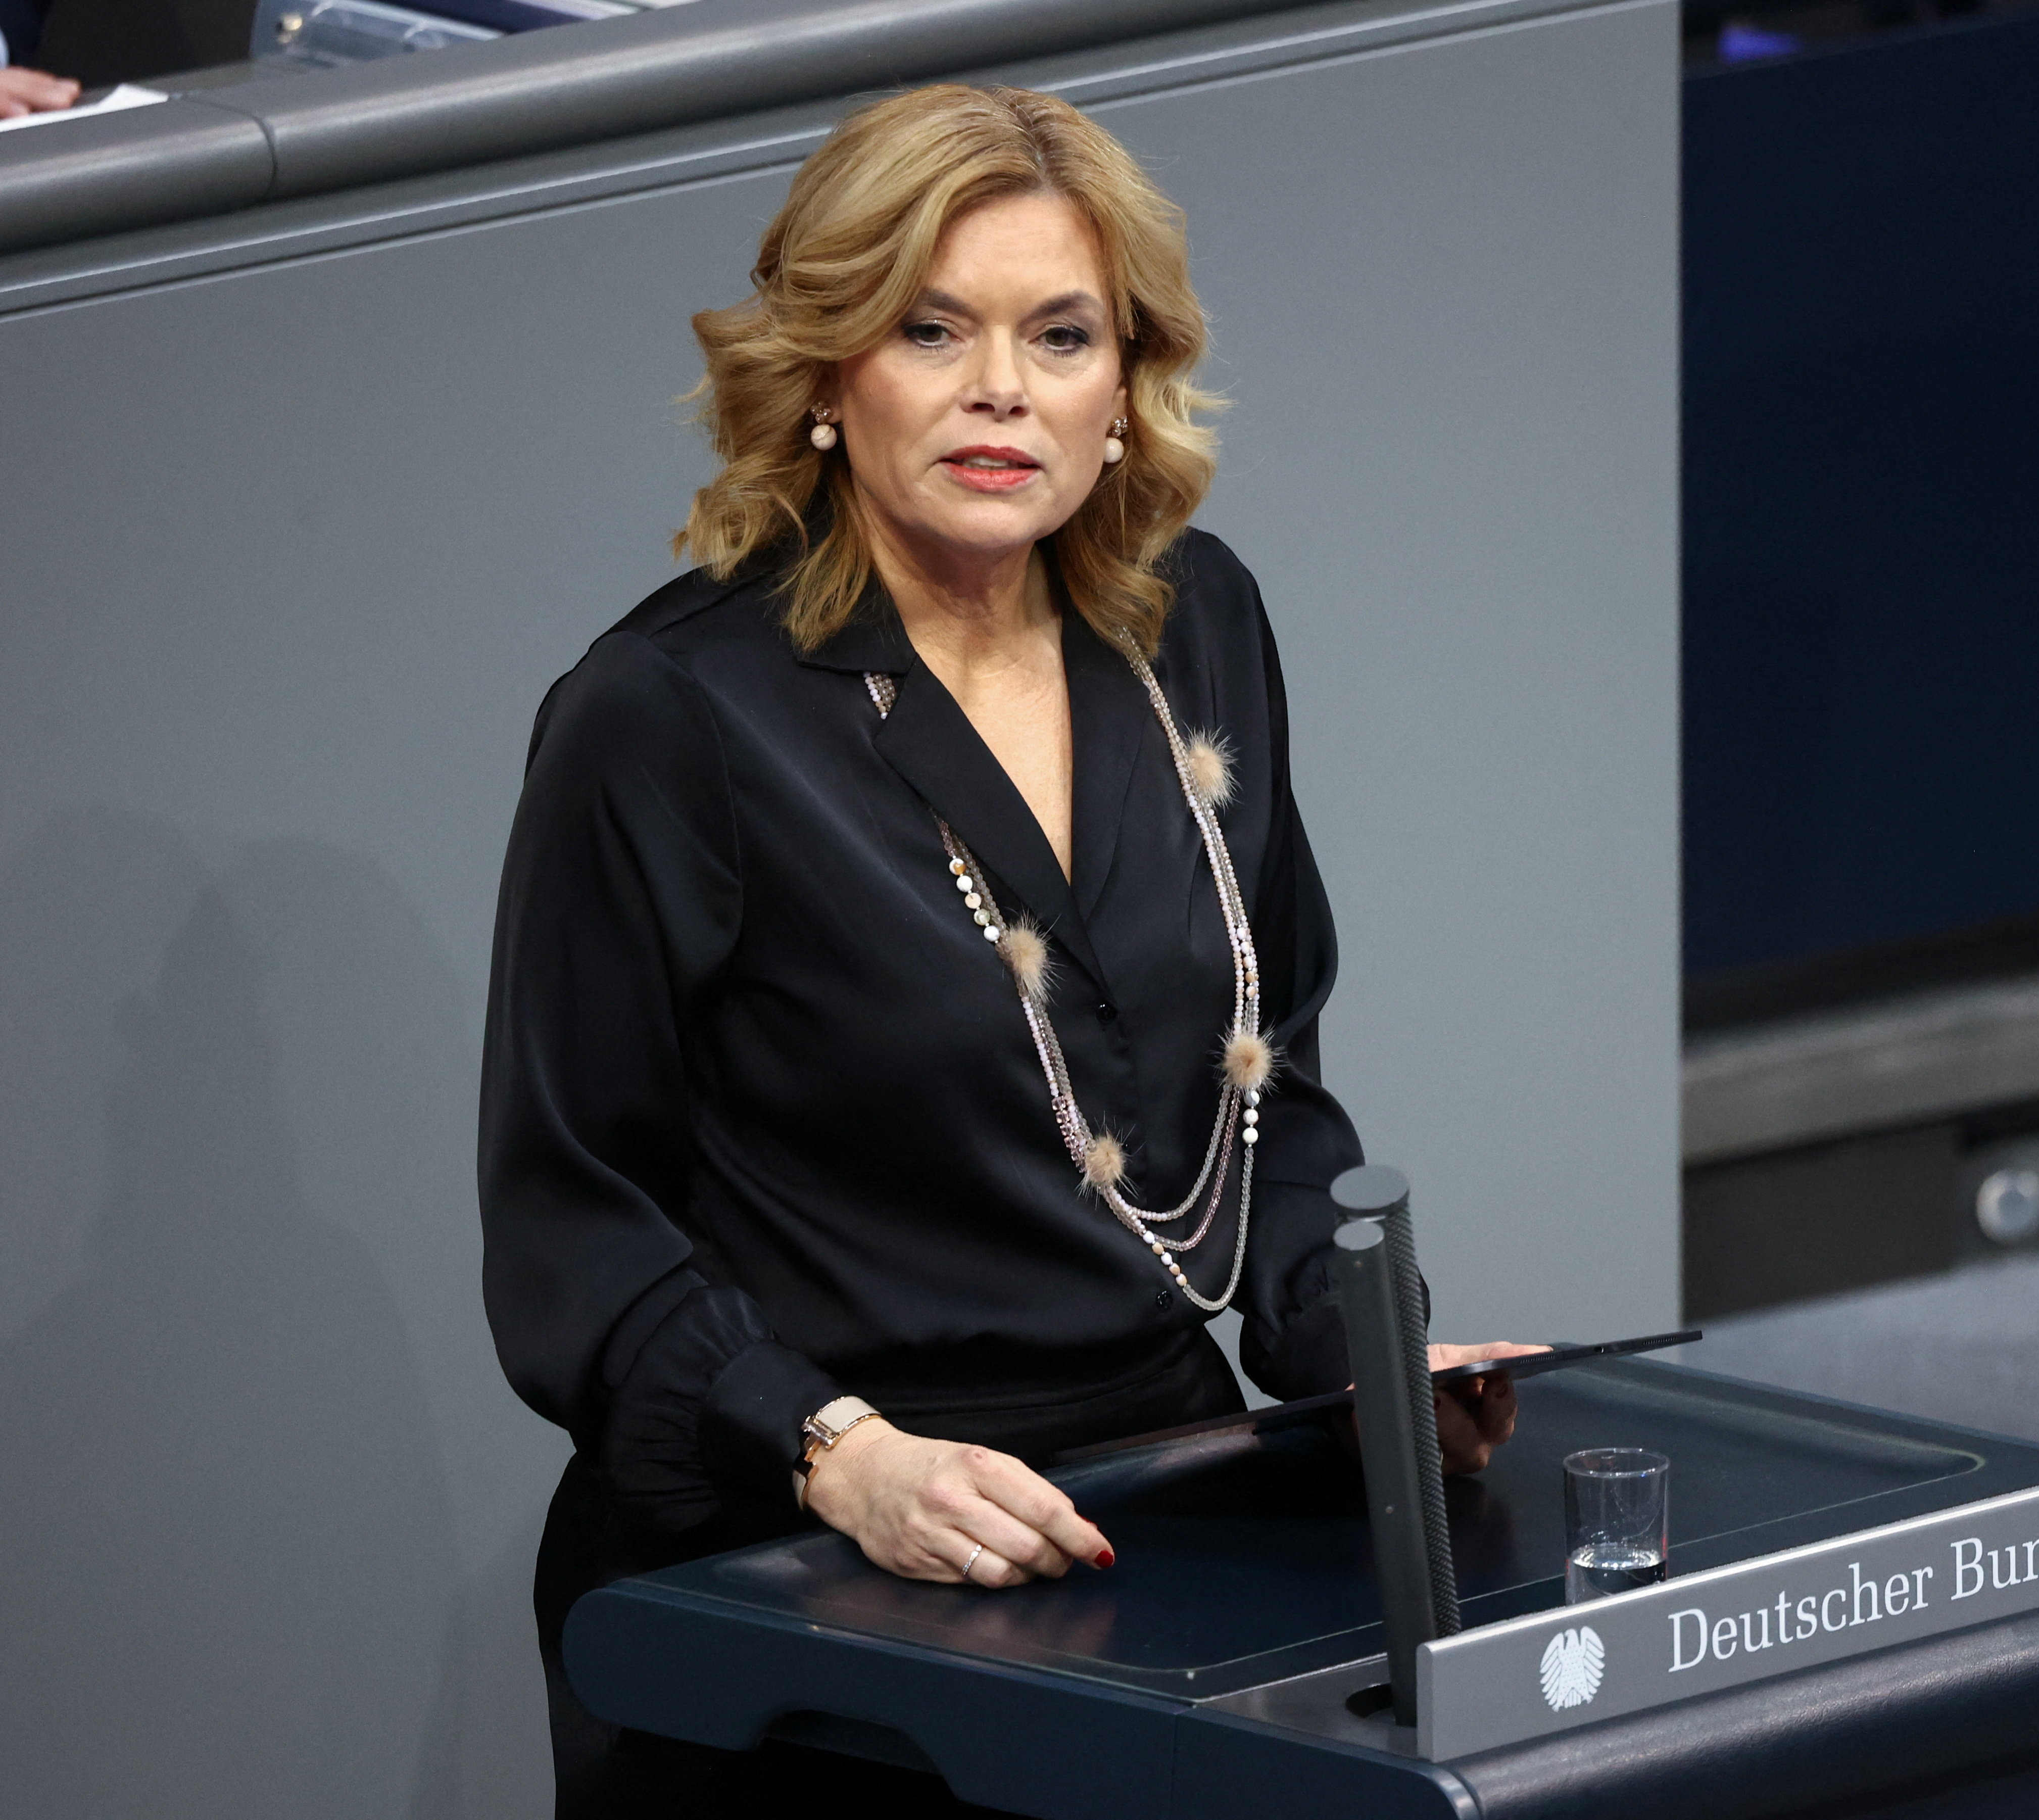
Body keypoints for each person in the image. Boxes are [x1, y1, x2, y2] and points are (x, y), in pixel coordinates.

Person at [479, 83, 1535, 1816]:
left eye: (1060, 335)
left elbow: (1261, 1100)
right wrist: (837, 1452)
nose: (1001, 389)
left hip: (1157, 1505)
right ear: (826, 373)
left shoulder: (1197, 627)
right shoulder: (665, 716)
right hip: (805, 1539)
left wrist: (1350, 1347)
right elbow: (573, 1227)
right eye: (930, 328)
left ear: (1126, 386)